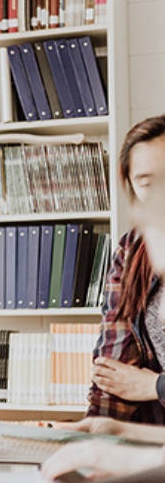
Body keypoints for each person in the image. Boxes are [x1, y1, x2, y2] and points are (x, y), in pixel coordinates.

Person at [87, 114, 165, 424]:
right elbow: (114, 363)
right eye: (148, 183)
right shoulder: (133, 249)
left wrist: (153, 385)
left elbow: (139, 383)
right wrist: (96, 428)